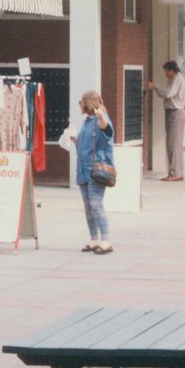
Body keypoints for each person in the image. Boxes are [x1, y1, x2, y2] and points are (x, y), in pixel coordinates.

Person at [74, 90, 114, 255]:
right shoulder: (86, 121)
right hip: (83, 170)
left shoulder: (100, 119)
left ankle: (106, 240)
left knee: (96, 204)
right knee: (88, 206)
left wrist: (101, 118)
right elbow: (84, 146)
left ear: (88, 102)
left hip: (96, 170)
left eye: (81, 101)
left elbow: (107, 131)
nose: (80, 104)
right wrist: (74, 140)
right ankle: (94, 239)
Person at [148, 60, 185, 181]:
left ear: (172, 70)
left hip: (175, 112)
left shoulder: (177, 79)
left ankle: (174, 173)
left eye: (166, 71)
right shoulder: (182, 79)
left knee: (172, 144)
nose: (166, 74)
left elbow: (168, 93)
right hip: (180, 111)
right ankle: (178, 171)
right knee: (177, 143)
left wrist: (155, 87)